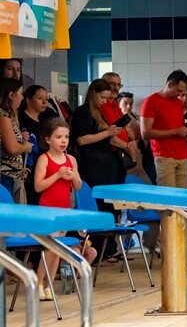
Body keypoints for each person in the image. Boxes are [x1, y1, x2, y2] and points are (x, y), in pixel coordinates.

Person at [33, 118, 96, 301]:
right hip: (47, 209)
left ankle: (49, 285)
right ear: (47, 139)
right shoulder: (43, 159)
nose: (63, 141)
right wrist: (57, 175)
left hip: (64, 210)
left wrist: (73, 175)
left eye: (66, 137)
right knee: (49, 249)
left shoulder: (71, 160)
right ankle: (37, 283)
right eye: (58, 137)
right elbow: (38, 186)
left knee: (58, 249)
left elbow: (77, 186)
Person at [71, 79, 130, 200]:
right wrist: (108, 132)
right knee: (100, 200)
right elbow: (82, 140)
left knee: (112, 200)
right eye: (102, 97)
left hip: (108, 162)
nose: (104, 101)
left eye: (107, 98)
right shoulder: (82, 112)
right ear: (93, 94)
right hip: (93, 164)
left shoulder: (100, 112)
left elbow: (107, 138)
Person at [141, 70, 187, 188]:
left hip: (183, 154)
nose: (180, 95)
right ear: (170, 85)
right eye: (179, 90)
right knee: (168, 197)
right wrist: (175, 132)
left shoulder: (177, 102)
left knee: (181, 197)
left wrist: (185, 130)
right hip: (164, 155)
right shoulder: (151, 101)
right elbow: (145, 133)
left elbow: (174, 126)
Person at [18, 84, 58, 203]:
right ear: (28, 99)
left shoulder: (47, 118)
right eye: (40, 98)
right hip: (29, 169)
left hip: (45, 167)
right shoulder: (20, 118)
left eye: (46, 98)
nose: (45, 102)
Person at [0, 78, 31, 202]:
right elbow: (12, 148)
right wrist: (26, 147)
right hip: (5, 176)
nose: (22, 98)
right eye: (21, 94)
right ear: (11, 95)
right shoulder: (3, 117)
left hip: (10, 175)